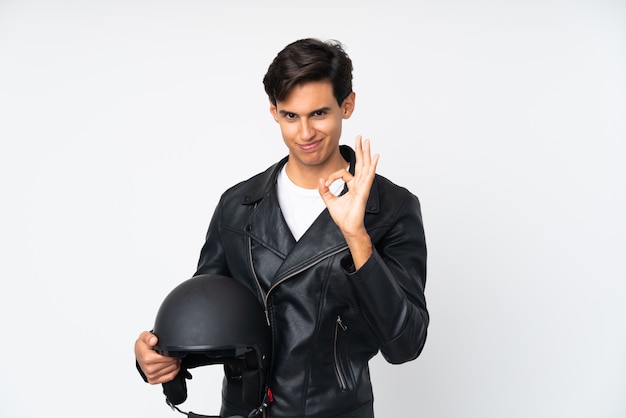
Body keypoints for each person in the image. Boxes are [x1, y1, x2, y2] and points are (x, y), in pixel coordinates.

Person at [135, 37, 428, 418]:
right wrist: (159, 356)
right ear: (274, 111)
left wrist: (356, 236)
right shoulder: (237, 207)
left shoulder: (390, 208)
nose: (305, 133)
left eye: (319, 113)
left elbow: (405, 344)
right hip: (245, 411)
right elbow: (209, 316)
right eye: (291, 116)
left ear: (347, 105)